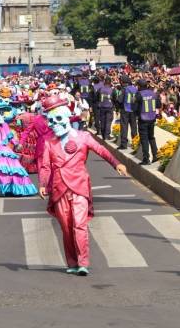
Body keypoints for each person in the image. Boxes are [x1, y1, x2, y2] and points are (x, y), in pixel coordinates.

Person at [39, 95, 128, 276]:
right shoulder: (49, 141)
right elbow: (45, 165)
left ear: (67, 118)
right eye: (50, 121)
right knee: (66, 227)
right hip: (58, 188)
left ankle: (82, 262)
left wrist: (116, 163)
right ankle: (71, 262)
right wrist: (42, 183)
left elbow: (101, 150)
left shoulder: (84, 136)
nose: (53, 124)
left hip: (79, 185)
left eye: (57, 119)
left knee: (79, 224)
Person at [135, 80, 159, 166]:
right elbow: (158, 104)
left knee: (144, 139)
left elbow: (135, 107)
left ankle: (146, 158)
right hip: (152, 118)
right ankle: (155, 155)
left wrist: (136, 115)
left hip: (143, 119)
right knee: (151, 137)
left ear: (140, 86)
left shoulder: (139, 94)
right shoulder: (153, 93)